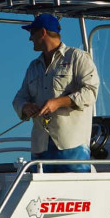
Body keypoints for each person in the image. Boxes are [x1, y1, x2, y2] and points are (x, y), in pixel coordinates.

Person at [12, 13, 99, 173]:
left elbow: (90, 92)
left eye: (32, 33)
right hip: (40, 147)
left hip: (72, 147)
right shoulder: (33, 66)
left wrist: (58, 102)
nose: (30, 38)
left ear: (43, 32)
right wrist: (25, 107)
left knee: (75, 194)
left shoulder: (78, 58)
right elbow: (19, 98)